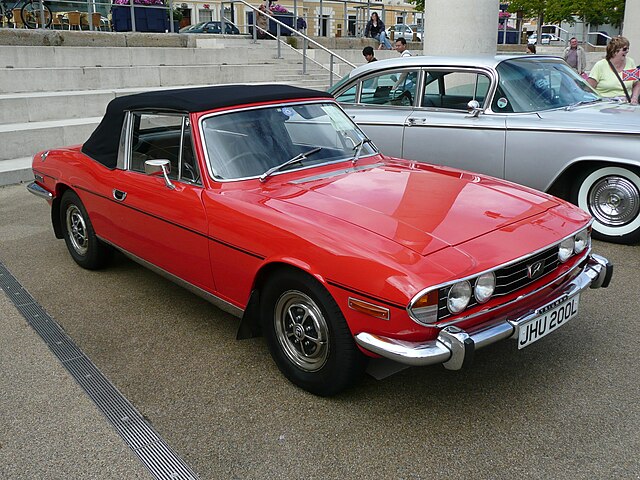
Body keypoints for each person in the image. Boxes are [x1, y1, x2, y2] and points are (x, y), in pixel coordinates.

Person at [588, 36, 640, 104]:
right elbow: (589, 88)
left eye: (628, 48)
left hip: (626, 105)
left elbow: (636, 84)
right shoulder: (600, 65)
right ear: (615, 51)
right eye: (624, 49)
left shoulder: (630, 63)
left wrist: (634, 98)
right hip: (604, 105)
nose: (627, 51)